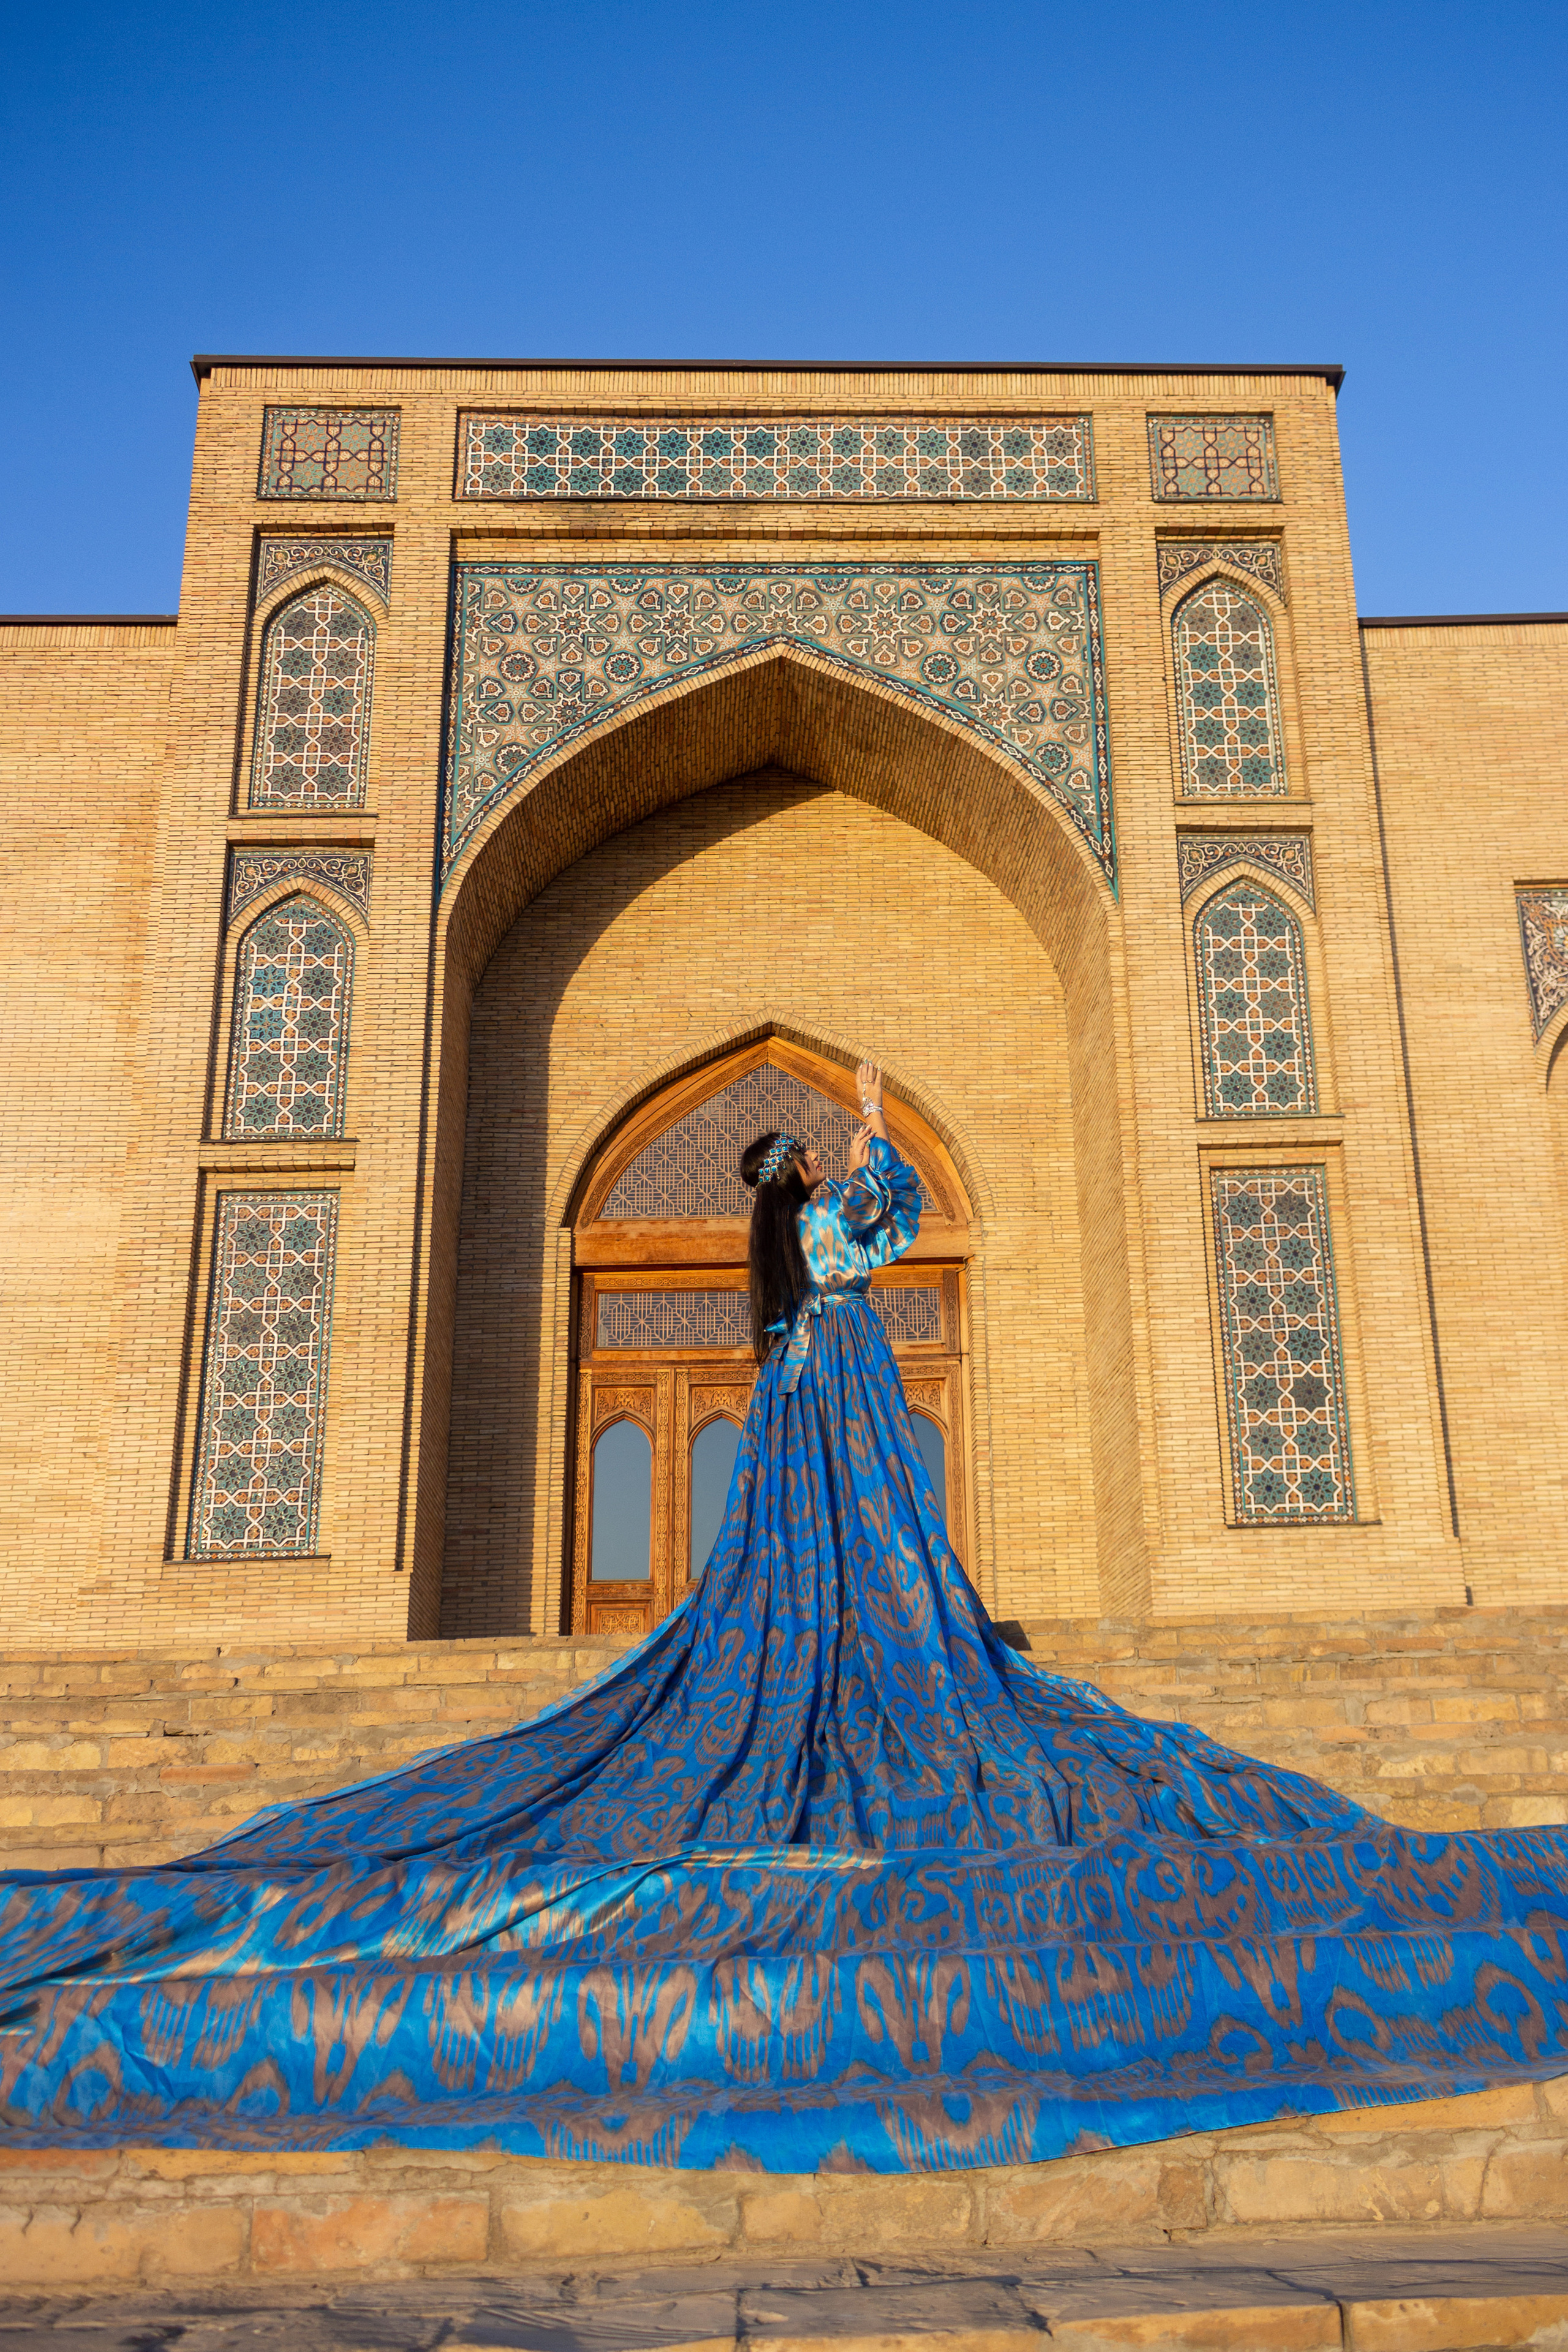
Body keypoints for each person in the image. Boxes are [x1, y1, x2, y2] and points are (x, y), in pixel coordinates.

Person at [3, 1060, 1567, 2173]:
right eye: (807, 1162)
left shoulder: (778, 1284)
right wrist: (878, 1126)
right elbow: (895, 1213)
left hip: (806, 1394)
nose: (819, 1174)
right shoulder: (830, 1244)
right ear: (795, 1184)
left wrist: (863, 1144)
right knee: (889, 1567)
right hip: (854, 1386)